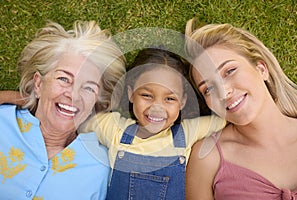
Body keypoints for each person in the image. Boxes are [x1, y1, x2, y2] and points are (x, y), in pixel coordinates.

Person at [0, 20, 126, 200]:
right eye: (64, 79)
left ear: (96, 102)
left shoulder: (102, 166)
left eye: (89, 88)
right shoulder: (3, 122)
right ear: (38, 83)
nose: (74, 95)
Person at [80, 47, 225, 200]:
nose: (157, 108)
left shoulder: (188, 133)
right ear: (131, 94)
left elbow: (230, 120)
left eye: (170, 99)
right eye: (147, 95)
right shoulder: (114, 129)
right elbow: (79, 121)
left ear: (182, 102)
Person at [184, 18, 297, 200]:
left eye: (229, 71)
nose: (224, 92)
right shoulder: (207, 158)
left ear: (261, 69)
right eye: (209, 89)